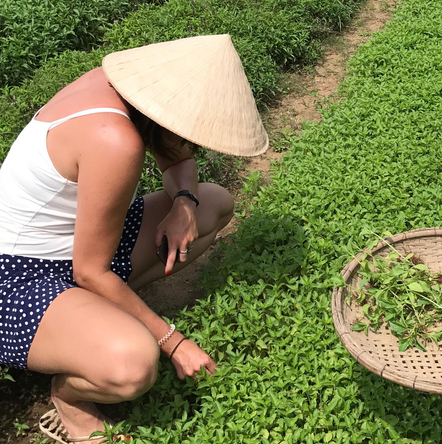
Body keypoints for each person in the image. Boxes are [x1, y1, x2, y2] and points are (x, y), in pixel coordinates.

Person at [0, 35, 269, 443]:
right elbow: (90, 270)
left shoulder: (120, 92)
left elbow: (177, 158)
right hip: (18, 279)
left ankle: (102, 317)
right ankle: (70, 397)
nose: (192, 144)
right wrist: (173, 341)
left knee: (211, 202)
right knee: (133, 365)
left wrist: (182, 204)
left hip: (79, 247)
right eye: (189, 132)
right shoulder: (114, 139)